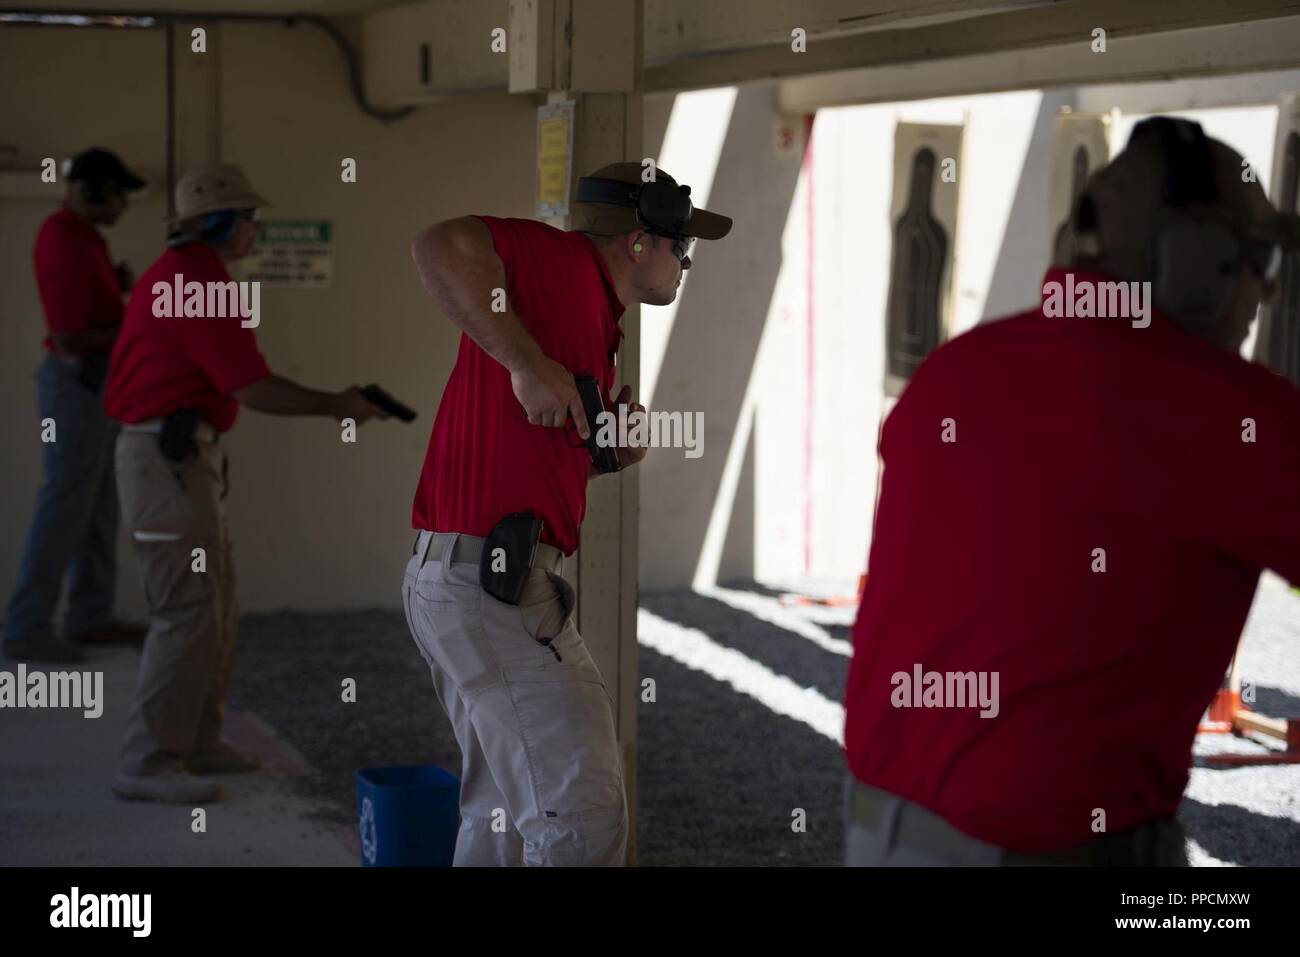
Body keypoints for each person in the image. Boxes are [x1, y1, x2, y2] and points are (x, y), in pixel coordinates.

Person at [843, 117, 1300, 866]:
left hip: (883, 831)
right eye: (1256, 257)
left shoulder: (953, 371)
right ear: (1199, 260)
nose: (1268, 286)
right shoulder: (1230, 411)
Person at [407, 162, 731, 865]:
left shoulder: (590, 313)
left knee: (500, 815)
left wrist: (609, 451)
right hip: (493, 587)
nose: (685, 263)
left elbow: (534, 441)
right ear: (640, 240)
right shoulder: (561, 265)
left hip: (472, 576)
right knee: (582, 815)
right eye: (681, 246)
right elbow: (438, 244)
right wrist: (524, 361)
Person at [104, 163, 386, 803]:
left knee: (215, 606)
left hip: (181, 460)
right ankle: (147, 762)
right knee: (187, 609)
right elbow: (250, 386)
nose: (256, 230)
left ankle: (197, 742)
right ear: (224, 223)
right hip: (166, 463)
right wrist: (337, 404)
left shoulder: (187, 276)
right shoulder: (197, 281)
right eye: (250, 218)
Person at [4, 148, 147, 663]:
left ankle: (90, 616)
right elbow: (68, 338)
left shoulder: (86, 240)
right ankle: (25, 626)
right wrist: (135, 324)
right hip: (77, 385)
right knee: (65, 502)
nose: (124, 205)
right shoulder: (64, 238)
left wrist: (120, 292)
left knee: (98, 503)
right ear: (91, 190)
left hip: (95, 386)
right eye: (117, 194)